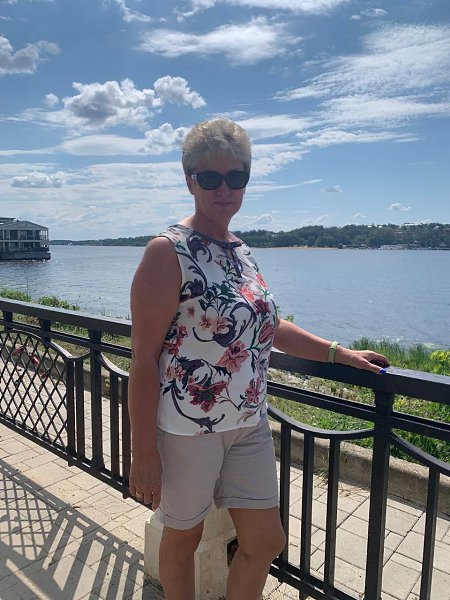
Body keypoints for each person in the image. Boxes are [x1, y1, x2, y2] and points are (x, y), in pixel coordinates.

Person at [128, 118, 390, 600]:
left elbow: (270, 326)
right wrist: (143, 453)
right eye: (210, 177)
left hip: (248, 423)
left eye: (236, 177)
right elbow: (142, 360)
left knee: (266, 540)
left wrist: (339, 353)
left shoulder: (241, 251)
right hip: (188, 430)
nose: (224, 189)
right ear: (190, 180)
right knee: (183, 538)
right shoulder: (167, 252)